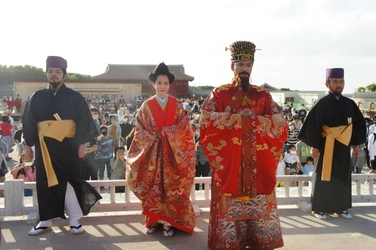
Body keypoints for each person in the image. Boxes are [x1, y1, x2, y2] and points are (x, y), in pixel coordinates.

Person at [200, 41, 288, 249]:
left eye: (248, 65)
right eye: (240, 65)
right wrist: (244, 122)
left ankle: (261, 239)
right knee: (229, 203)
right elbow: (206, 120)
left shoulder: (263, 95)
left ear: (252, 67)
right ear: (232, 66)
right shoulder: (219, 93)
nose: (244, 69)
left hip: (259, 162)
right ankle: (230, 240)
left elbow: (279, 122)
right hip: (231, 163)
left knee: (259, 202)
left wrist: (245, 123)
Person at [22, 56, 102, 236]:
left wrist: (82, 143)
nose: (54, 75)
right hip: (45, 146)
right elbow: (29, 121)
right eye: (50, 72)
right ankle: (45, 219)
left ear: (64, 75)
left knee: (71, 179)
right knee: (45, 180)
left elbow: (83, 120)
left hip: (69, 144)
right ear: (47, 74)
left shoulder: (75, 97)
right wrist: (28, 144)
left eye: (58, 72)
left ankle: (74, 219)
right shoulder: (36, 97)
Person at [126, 62, 196, 238]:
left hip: (173, 155)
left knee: (172, 188)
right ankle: (152, 220)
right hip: (153, 155)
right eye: (159, 83)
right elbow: (140, 131)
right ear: (153, 84)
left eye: (165, 83)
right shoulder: (146, 107)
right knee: (153, 186)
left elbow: (185, 130)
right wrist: (154, 140)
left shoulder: (178, 105)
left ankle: (169, 222)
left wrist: (168, 135)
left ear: (169, 85)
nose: (162, 86)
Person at [298, 68, 366, 220]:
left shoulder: (349, 104)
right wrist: (314, 146)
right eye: (335, 82)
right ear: (327, 83)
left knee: (342, 175)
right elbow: (312, 125)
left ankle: (340, 207)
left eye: (341, 82)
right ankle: (319, 208)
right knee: (323, 176)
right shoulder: (321, 103)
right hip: (325, 145)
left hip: (343, 146)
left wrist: (356, 145)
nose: (338, 85)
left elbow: (358, 125)